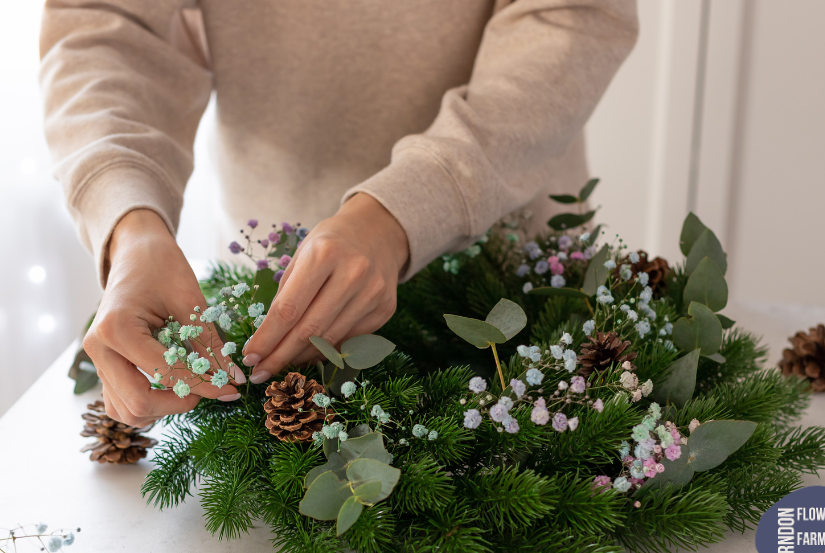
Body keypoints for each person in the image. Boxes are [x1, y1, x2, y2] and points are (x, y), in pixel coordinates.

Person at [39, 0, 638, 426]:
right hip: (274, 303)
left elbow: (571, 15)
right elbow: (107, 25)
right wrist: (131, 226)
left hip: (512, 296)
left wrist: (405, 208)